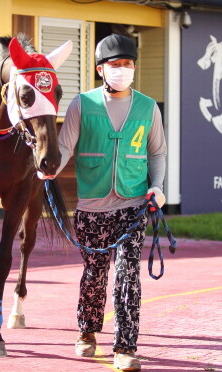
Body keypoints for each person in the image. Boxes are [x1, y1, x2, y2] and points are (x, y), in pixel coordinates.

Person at [56, 34, 167, 371]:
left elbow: (157, 151)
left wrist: (157, 187)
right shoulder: (81, 104)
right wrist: (47, 170)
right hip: (91, 207)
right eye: (116, 65)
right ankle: (87, 331)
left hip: (133, 205)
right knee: (94, 273)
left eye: (128, 64)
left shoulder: (148, 107)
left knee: (128, 275)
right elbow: (63, 147)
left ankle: (125, 347)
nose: (123, 70)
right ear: (101, 69)